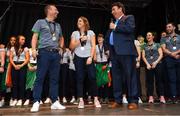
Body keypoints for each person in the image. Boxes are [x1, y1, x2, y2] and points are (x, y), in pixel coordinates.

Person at [30, 4, 66, 112]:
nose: (57, 12)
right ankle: (36, 101)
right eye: (55, 10)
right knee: (40, 77)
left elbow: (61, 38)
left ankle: (54, 101)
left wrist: (61, 48)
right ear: (49, 10)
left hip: (55, 54)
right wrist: (33, 49)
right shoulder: (40, 22)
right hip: (44, 52)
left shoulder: (58, 25)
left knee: (54, 79)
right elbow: (35, 37)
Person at [107, 2, 138, 110]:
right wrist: (108, 49)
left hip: (127, 52)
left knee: (130, 77)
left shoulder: (128, 18)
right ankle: (117, 100)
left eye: (114, 9)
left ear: (120, 9)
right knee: (116, 78)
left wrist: (115, 27)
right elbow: (108, 37)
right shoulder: (113, 23)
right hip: (114, 53)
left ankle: (133, 100)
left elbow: (130, 29)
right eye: (112, 10)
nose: (113, 12)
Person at [69, 16, 101, 109]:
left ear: (85, 23)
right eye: (77, 21)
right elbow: (71, 47)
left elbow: (93, 46)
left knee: (92, 77)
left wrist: (91, 57)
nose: (78, 22)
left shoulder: (91, 32)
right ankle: (81, 100)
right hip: (78, 57)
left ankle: (95, 98)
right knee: (79, 78)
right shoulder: (75, 33)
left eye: (80, 21)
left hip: (88, 57)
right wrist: (79, 40)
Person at [142, 32, 166, 103]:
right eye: (147, 35)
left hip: (157, 64)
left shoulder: (157, 44)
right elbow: (143, 56)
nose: (148, 36)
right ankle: (151, 97)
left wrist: (156, 62)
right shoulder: (144, 46)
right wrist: (147, 64)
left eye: (149, 35)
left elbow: (161, 54)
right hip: (149, 65)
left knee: (159, 81)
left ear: (153, 37)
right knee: (150, 82)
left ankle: (162, 97)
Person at [161, 23, 180, 103]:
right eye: (167, 27)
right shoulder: (164, 38)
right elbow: (163, 48)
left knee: (179, 78)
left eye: (169, 27)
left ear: (174, 27)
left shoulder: (179, 37)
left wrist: (176, 53)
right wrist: (172, 54)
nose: (168, 28)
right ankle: (174, 96)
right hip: (169, 59)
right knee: (172, 79)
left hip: (179, 57)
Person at [9, 35, 29, 106]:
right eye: (22, 39)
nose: (24, 41)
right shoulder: (12, 48)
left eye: (24, 39)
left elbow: (27, 59)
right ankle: (15, 98)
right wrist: (14, 65)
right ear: (18, 40)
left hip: (22, 65)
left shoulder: (25, 48)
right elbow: (10, 58)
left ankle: (20, 99)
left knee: (21, 83)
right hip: (14, 65)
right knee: (15, 83)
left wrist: (21, 65)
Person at [95, 34, 110, 104]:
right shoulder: (95, 47)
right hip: (98, 65)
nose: (99, 39)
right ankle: (100, 97)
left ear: (103, 39)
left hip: (105, 64)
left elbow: (109, 56)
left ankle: (106, 97)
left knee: (106, 81)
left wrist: (106, 65)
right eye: (98, 38)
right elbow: (94, 57)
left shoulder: (106, 46)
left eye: (101, 38)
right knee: (99, 82)